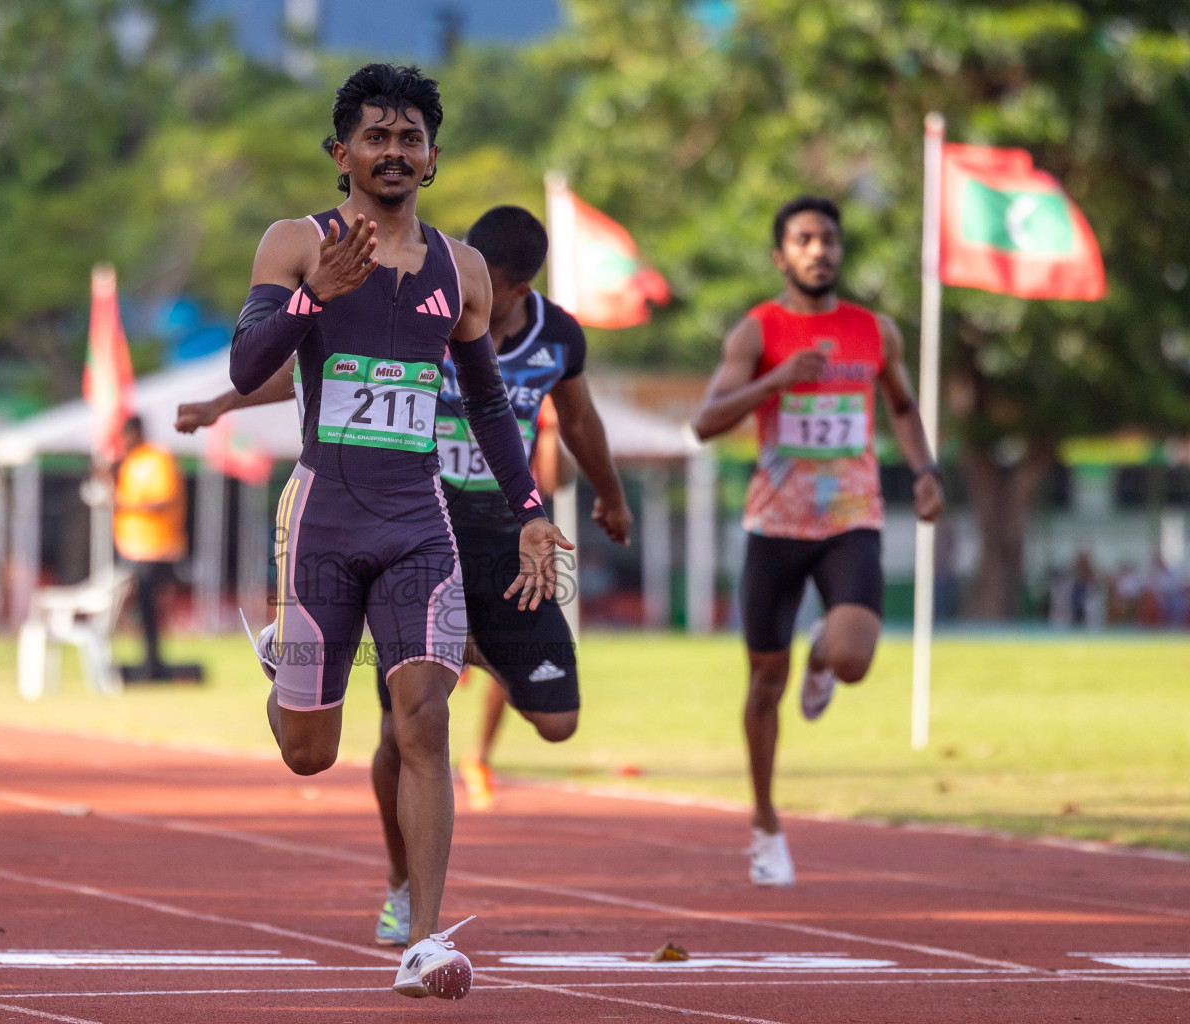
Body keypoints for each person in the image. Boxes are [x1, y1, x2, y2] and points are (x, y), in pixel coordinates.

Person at [180, 206, 633, 945]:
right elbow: (296, 368)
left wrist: (577, 502)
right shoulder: (397, 292)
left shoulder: (547, 337)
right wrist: (224, 402)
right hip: (385, 514)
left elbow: (560, 418)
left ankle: (423, 927)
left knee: (542, 720)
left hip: (483, 538)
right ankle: (401, 882)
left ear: (515, 289)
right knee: (347, 742)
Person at [223, 64, 570, 1001]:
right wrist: (311, 298)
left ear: (432, 157)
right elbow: (248, 360)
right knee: (310, 752)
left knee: (423, 718)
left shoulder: (458, 268)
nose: (394, 151)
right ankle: (287, 663)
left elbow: (492, 403)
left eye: (410, 137)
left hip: (420, 523)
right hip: (325, 516)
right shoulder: (297, 242)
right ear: (341, 155)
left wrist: (532, 512)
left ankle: (426, 939)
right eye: (375, 136)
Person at [692, 195, 945, 887]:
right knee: (762, 684)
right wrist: (777, 379)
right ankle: (766, 823)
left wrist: (924, 471)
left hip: (852, 518)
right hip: (774, 526)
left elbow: (899, 404)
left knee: (855, 657)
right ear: (781, 256)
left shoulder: (874, 332)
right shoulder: (757, 331)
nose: (819, 250)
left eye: (829, 239)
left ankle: (823, 658)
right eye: (804, 239)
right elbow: (705, 422)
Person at [111, 415, 190, 682]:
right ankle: (148, 663)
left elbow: (163, 499)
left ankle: (154, 665)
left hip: (157, 548)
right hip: (132, 548)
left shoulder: (158, 459)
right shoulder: (130, 462)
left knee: (150, 608)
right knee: (138, 609)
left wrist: (126, 505)